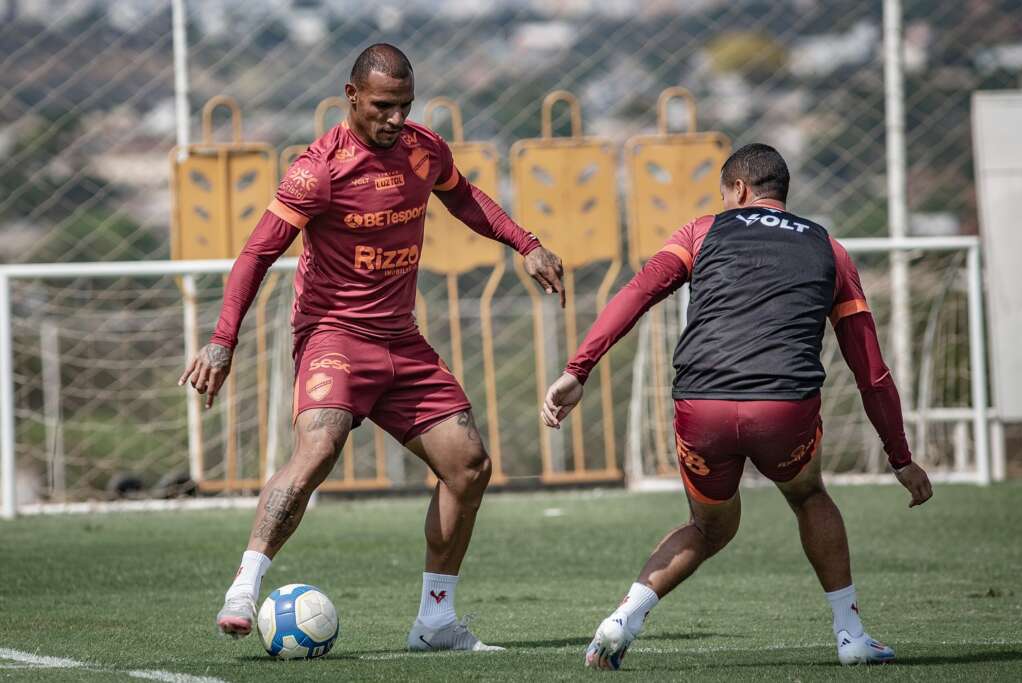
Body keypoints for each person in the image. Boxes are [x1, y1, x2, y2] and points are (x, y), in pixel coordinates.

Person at [179, 43, 565, 652]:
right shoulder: (318, 170)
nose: (394, 119)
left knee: (469, 467)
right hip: (333, 336)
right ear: (351, 96)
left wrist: (527, 243)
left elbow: (464, 197)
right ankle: (245, 585)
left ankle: (436, 621)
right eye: (383, 106)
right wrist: (222, 342)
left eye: (405, 106)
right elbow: (256, 254)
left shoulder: (423, 149)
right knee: (320, 447)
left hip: (401, 342)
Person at [542, 143, 933, 669]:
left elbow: (636, 293)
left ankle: (622, 620)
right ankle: (851, 635)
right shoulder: (831, 249)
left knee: (709, 527)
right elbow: (872, 371)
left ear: (739, 190)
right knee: (810, 496)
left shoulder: (700, 232)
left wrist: (577, 370)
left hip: (702, 408)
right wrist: (900, 457)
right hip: (784, 411)